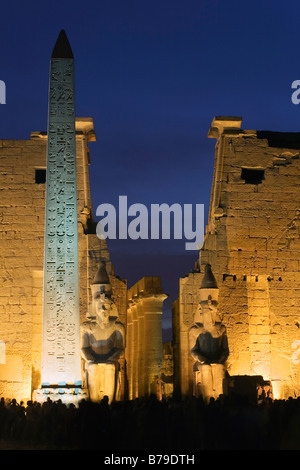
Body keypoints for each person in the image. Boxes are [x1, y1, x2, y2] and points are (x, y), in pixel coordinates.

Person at [81, 261, 125, 402]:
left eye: (106, 306)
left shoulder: (117, 327)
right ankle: (94, 403)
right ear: (94, 307)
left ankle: (109, 404)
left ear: (111, 306)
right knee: (93, 367)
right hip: (93, 359)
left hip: (109, 358)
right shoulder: (87, 327)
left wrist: (113, 357)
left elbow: (120, 347)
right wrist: (89, 357)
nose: (103, 310)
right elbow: (84, 348)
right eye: (100, 306)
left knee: (110, 367)